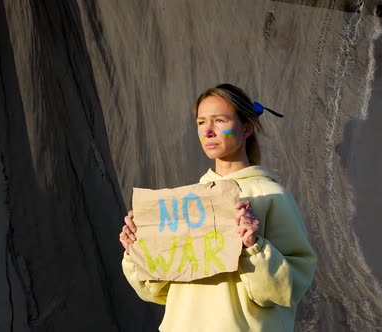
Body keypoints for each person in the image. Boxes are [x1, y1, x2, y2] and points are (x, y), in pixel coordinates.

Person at [119, 83, 317, 331]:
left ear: (246, 128)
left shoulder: (271, 196)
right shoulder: (187, 202)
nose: (208, 131)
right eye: (201, 122)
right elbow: (156, 292)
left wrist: (254, 246)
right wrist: (137, 252)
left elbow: (288, 288)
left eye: (219, 120)